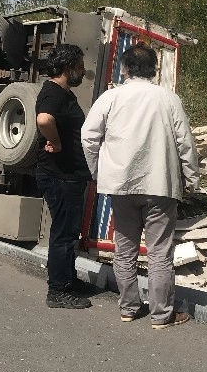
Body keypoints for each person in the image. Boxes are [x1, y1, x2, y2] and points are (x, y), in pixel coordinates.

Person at [81, 43, 200, 329]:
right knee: (159, 252)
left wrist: (98, 171)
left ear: (124, 69)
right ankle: (162, 315)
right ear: (155, 70)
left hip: (121, 185)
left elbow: (88, 137)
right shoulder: (168, 98)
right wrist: (192, 179)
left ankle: (129, 308)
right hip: (160, 185)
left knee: (125, 249)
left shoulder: (111, 98)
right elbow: (186, 143)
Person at [36, 44, 92, 309]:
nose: (83, 71)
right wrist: (56, 143)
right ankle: (57, 290)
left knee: (69, 231)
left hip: (69, 175)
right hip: (61, 175)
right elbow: (44, 120)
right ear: (68, 67)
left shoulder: (62, 93)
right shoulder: (53, 92)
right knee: (63, 233)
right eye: (79, 66)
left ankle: (67, 280)